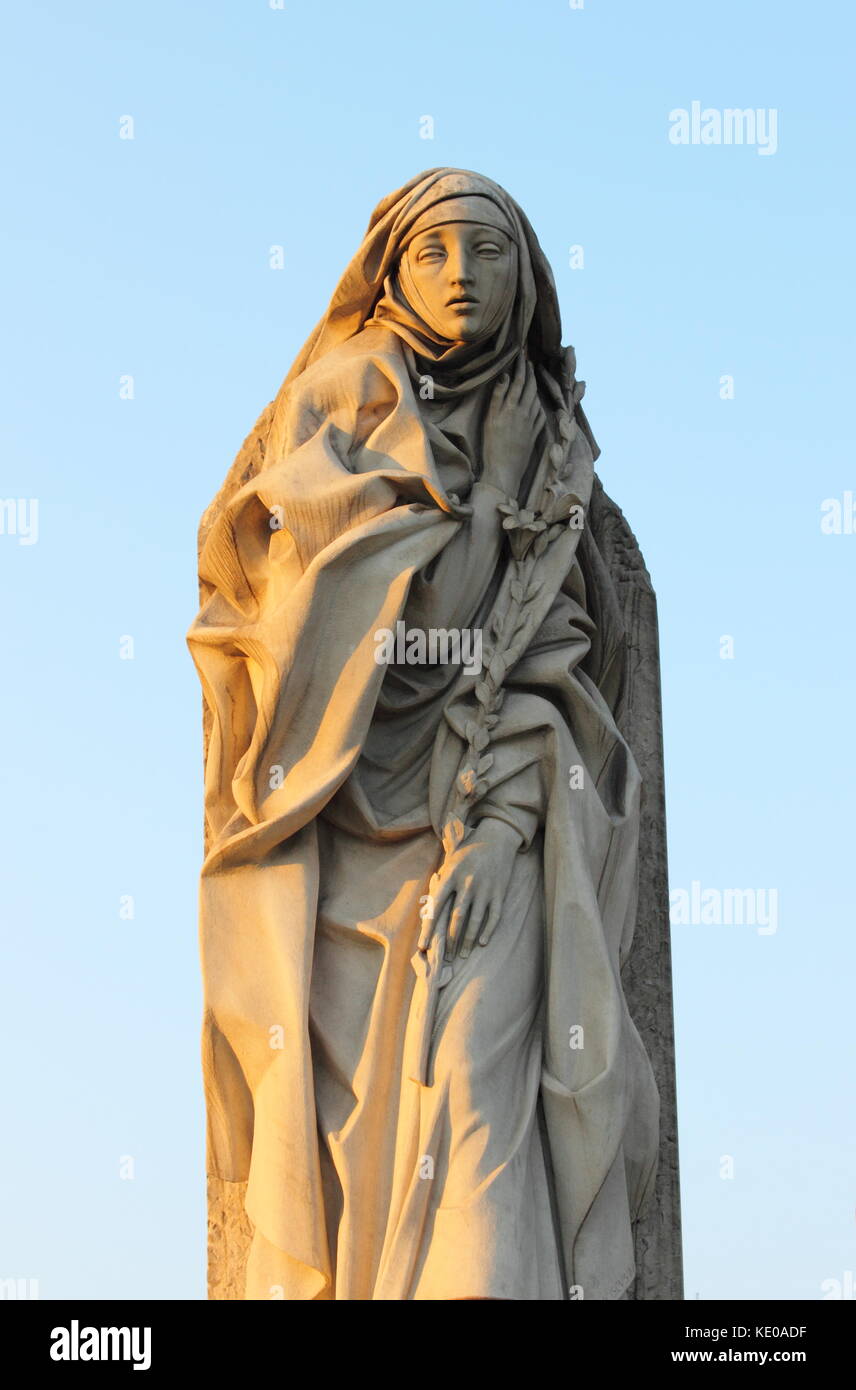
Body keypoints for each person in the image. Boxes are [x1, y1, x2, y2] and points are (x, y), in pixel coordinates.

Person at [188, 168, 659, 1301]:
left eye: (487, 252)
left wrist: (502, 826)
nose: (461, 275)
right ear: (392, 271)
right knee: (349, 1142)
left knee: (476, 1078)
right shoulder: (338, 402)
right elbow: (288, 604)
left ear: (526, 277)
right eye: (435, 251)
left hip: (497, 818)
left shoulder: (549, 441)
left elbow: (560, 662)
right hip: (338, 826)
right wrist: (450, 515)